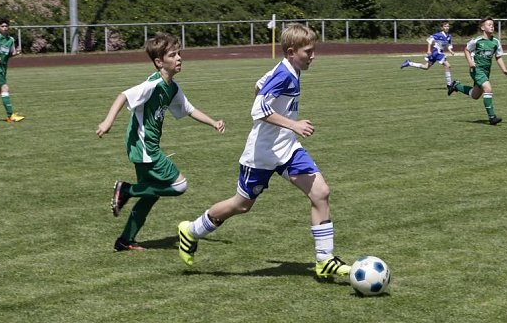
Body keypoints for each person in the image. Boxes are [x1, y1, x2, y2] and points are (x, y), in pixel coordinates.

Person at [177, 23, 351, 279]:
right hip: (262, 153)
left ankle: (324, 260)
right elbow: (257, 110)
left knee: (321, 192)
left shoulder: (289, 68)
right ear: (291, 52)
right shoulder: (284, 74)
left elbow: (258, 87)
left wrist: (286, 125)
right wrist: (293, 123)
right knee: (242, 205)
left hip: (288, 148)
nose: (313, 56)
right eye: (308, 51)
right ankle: (191, 230)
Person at [96, 32, 225, 252]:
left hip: (143, 145)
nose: (179, 58)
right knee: (179, 185)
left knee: (152, 194)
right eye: (173, 55)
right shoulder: (153, 85)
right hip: (144, 146)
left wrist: (213, 122)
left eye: (179, 54)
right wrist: (108, 122)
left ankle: (125, 240)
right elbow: (124, 96)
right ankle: (127, 189)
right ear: (159, 62)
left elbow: (189, 109)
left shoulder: (172, 87)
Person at [447, 16, 507, 125]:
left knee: (475, 95)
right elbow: (466, 50)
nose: (492, 26)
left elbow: (498, 57)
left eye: (493, 25)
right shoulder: (477, 41)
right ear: (483, 27)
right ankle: (492, 117)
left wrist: (504, 69)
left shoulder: (496, 42)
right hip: (476, 70)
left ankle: (456, 85)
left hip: (486, 71)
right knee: (488, 88)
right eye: (489, 25)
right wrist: (470, 62)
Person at [400, 20, 456, 87]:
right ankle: (449, 84)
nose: (447, 27)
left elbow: (448, 44)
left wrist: (450, 50)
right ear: (442, 28)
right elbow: (430, 40)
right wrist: (429, 50)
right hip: (436, 52)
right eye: (445, 26)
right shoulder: (438, 35)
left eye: (448, 26)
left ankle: (409, 63)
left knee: (426, 67)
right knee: (447, 65)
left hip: (438, 53)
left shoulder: (449, 36)